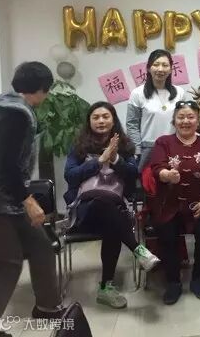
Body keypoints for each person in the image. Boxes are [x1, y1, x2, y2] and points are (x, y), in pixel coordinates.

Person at [0, 62, 65, 332]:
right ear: (43, 89)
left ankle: (47, 307)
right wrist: (29, 200)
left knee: (41, 245)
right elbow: (6, 164)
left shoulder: (0, 104)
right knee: (8, 263)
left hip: (8, 197)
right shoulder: (18, 114)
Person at [64, 102, 160, 309]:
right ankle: (137, 250)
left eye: (105, 116)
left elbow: (133, 176)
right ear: (89, 122)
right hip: (85, 211)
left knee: (112, 221)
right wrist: (99, 161)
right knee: (108, 210)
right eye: (96, 117)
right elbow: (70, 176)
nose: (101, 121)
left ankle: (106, 288)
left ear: (113, 120)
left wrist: (115, 158)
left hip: (114, 210)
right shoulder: (79, 147)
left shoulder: (125, 147)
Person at [150, 101, 200, 304]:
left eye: (190, 117)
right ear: (174, 121)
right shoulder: (163, 142)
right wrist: (166, 174)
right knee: (166, 232)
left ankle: (199, 278)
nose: (185, 121)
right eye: (181, 117)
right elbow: (156, 167)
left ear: (198, 120)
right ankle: (173, 281)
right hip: (170, 206)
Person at [127, 49, 189, 171]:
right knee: (146, 180)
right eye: (156, 64)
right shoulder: (137, 93)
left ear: (171, 69)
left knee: (174, 180)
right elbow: (132, 124)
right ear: (148, 68)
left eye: (165, 65)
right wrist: (137, 150)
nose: (160, 69)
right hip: (147, 148)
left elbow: (183, 122)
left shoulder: (180, 93)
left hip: (174, 147)